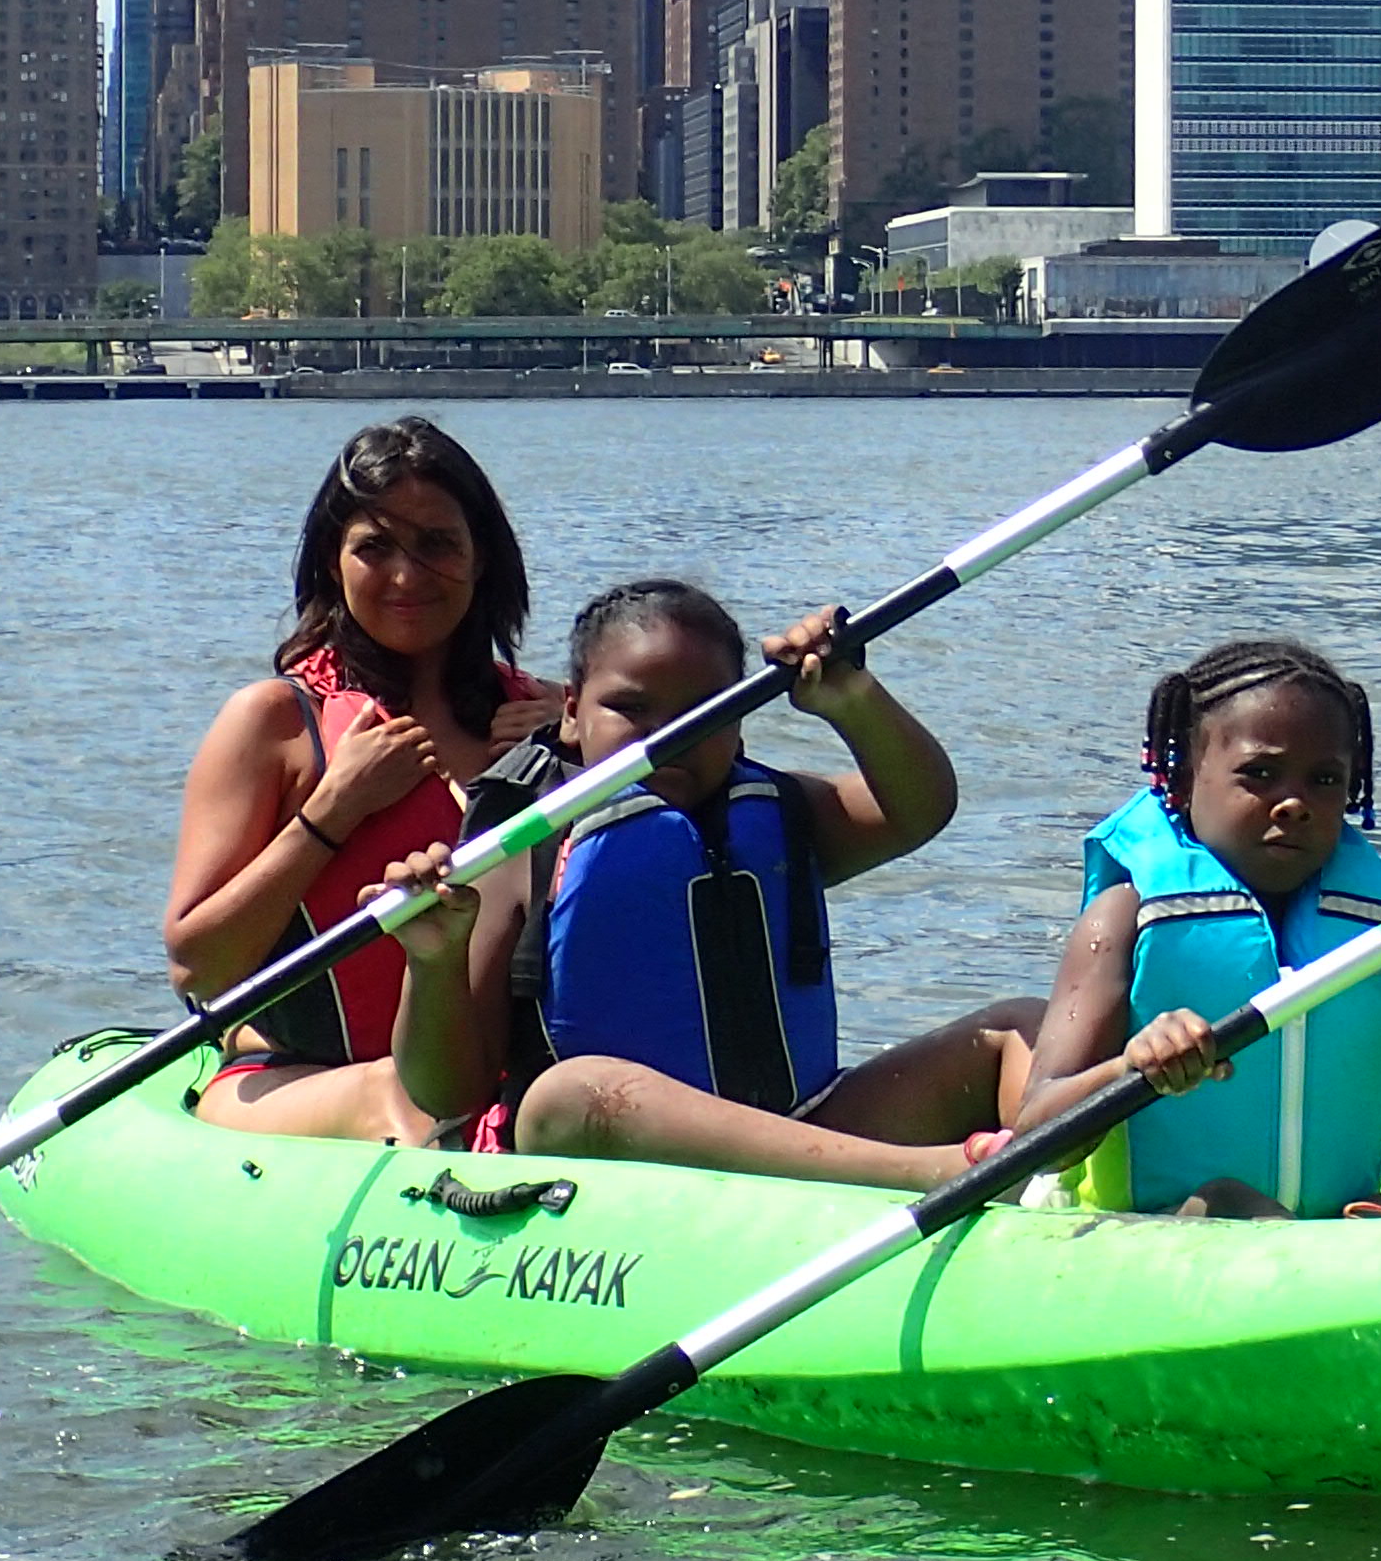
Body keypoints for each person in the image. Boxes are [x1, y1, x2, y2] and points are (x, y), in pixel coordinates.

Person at [376, 576, 1069, 1187]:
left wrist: (852, 700)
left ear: (738, 721)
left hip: (802, 1127)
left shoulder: (782, 810)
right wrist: (433, 962)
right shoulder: (519, 847)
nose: (667, 736)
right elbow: (447, 1091)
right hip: (604, 1156)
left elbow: (919, 808)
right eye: (632, 708)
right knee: (569, 1094)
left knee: (1016, 1025)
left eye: (700, 712)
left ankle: (1066, 1164)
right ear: (572, 712)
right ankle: (940, 1175)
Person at [1022, 637, 1381, 1219]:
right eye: (1260, 773)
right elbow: (1036, 1129)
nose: (1293, 803)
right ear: (1184, 779)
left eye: (1324, 780)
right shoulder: (1125, 916)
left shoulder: (1372, 925)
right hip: (1169, 1225)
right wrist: (1132, 1067)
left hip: (1332, 1224)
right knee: (1229, 1200)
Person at [165, 420, 555, 1144]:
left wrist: (580, 749)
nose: (406, 576)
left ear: (481, 559)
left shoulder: (549, 720)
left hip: (496, 1088)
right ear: (331, 563)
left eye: (437, 544)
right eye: (374, 548)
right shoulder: (275, 724)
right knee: (400, 1094)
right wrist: (332, 812)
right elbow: (197, 968)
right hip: (298, 1078)